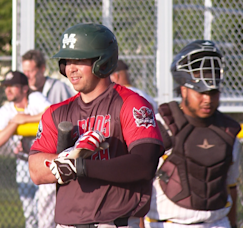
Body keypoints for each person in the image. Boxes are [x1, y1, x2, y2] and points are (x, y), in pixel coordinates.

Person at [28, 23, 164, 228]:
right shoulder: (56, 112)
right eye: (67, 61)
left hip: (116, 223)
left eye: (79, 60)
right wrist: (69, 157)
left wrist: (81, 167)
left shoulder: (131, 103)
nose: (70, 68)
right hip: (68, 224)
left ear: (103, 61)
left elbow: (143, 164)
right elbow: (36, 171)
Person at [143, 40, 241, 228]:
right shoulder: (161, 125)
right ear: (184, 89)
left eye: (213, 93)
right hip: (167, 223)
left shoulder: (227, 131)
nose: (207, 100)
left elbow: (231, 186)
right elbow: (138, 183)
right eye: (201, 92)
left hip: (218, 222)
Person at [22, 49, 75, 228]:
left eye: (31, 71)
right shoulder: (24, 92)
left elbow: (71, 116)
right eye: (25, 71)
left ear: (42, 69)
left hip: (53, 158)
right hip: (27, 158)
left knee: (48, 213)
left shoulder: (58, 88)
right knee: (29, 213)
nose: (27, 75)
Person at [0, 71, 51, 228]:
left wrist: (25, 119)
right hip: (23, 163)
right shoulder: (6, 111)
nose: (8, 90)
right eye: (6, 86)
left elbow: (51, 112)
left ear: (25, 88)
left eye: (13, 86)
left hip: (45, 162)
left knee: (46, 213)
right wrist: (14, 124)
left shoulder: (35, 98)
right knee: (29, 214)